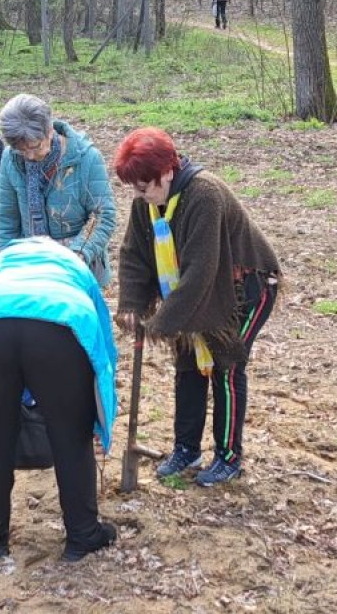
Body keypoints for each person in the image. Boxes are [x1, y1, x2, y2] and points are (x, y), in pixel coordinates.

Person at [113, 127, 281, 488]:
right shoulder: (147, 204)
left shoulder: (205, 194)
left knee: (225, 365)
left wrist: (160, 323)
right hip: (192, 291)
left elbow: (201, 271)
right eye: (136, 189)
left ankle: (229, 457)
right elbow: (133, 253)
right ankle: (186, 448)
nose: (142, 196)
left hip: (244, 287)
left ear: (168, 171)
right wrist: (130, 304)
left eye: (146, 187)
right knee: (188, 364)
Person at [0, 238, 119, 562]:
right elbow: (103, 348)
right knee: (70, 432)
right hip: (59, 324)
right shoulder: (75, 267)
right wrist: (100, 417)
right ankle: (82, 535)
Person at [0, 94, 116, 284]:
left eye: (35, 147)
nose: (30, 156)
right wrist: (9, 264)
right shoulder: (10, 159)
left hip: (80, 268)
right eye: (22, 150)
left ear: (49, 131)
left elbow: (103, 216)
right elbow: (8, 219)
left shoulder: (87, 158)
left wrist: (78, 255)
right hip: (33, 269)